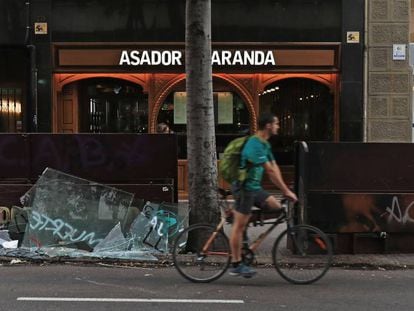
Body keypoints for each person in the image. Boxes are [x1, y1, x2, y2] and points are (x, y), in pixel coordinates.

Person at [229, 112, 298, 277]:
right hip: (244, 188)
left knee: (276, 207)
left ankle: (246, 231)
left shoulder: (265, 144)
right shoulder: (254, 144)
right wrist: (286, 191)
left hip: (255, 188)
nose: (278, 127)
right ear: (268, 125)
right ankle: (237, 264)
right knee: (238, 227)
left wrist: (285, 191)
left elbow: (275, 168)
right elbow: (269, 171)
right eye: (276, 124)